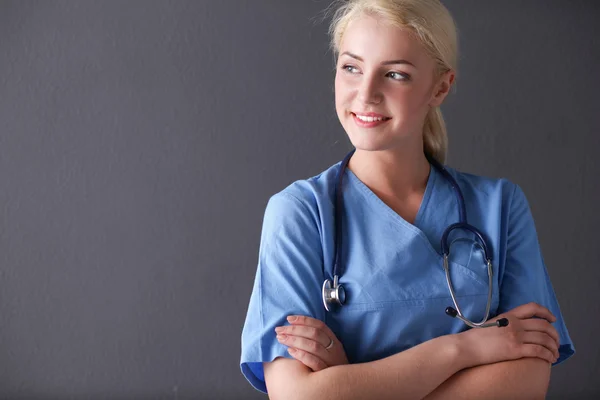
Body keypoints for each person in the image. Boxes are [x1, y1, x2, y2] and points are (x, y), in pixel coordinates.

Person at [240, 0, 575, 398]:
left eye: (395, 74)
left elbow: (526, 384)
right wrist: (464, 348)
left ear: (441, 87)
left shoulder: (500, 207)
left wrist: (351, 383)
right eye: (351, 67)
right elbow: (298, 395)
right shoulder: (300, 214)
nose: (366, 94)